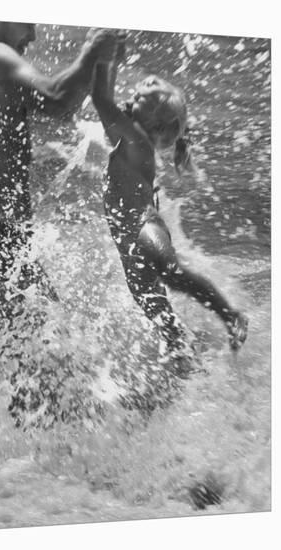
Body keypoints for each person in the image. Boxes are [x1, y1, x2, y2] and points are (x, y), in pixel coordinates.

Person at [0, 21, 118, 324]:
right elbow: (58, 101)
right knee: (54, 357)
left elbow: (65, 111)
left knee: (5, 364)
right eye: (27, 22)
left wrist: (102, 61)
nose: (33, 35)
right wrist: (92, 51)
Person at [91, 52, 248, 356]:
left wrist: (105, 55)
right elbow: (106, 101)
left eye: (137, 100)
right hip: (128, 242)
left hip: (143, 226)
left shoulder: (136, 139)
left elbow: (101, 99)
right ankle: (185, 359)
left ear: (157, 127)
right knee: (158, 312)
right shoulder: (132, 139)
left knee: (171, 272)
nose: (129, 99)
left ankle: (230, 314)